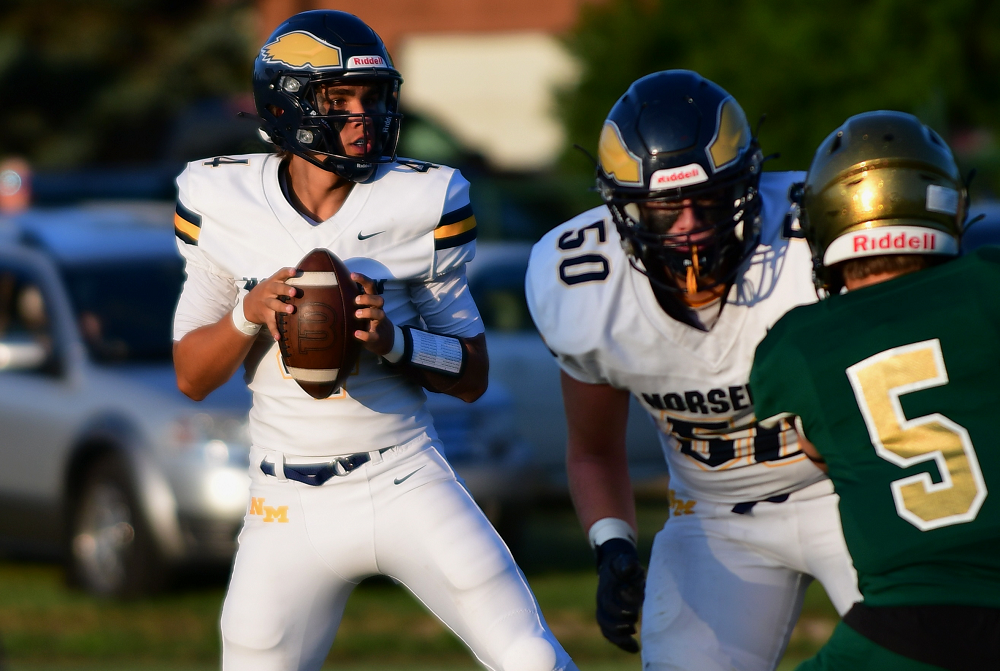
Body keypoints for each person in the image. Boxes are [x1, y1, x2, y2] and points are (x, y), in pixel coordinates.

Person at [171, 10, 577, 671]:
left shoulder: (421, 199)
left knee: (532, 658)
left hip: (402, 476)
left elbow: (471, 375)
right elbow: (191, 375)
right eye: (340, 99)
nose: (363, 115)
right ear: (289, 104)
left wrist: (390, 340)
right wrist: (249, 311)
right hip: (284, 499)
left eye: (372, 97)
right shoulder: (220, 197)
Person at [525, 70, 861, 671]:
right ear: (622, 210)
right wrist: (612, 547)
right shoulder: (583, 286)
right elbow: (593, 450)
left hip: (846, 494)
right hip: (711, 519)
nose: (689, 227)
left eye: (707, 201)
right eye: (663, 209)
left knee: (932, 645)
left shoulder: (814, 238)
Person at [751, 111, 1000, 670]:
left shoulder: (797, 346)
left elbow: (816, 451)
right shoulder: (989, 284)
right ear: (942, 202)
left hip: (906, 628)